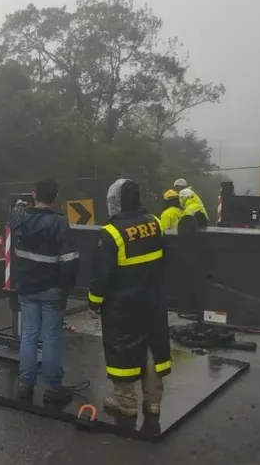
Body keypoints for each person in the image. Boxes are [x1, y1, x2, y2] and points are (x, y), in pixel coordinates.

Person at [88, 178, 171, 417]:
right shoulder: (155, 223)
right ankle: (153, 400)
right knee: (151, 346)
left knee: (123, 348)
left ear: (117, 202)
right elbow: (164, 260)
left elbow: (102, 276)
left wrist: (94, 301)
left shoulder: (111, 232)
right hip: (152, 300)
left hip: (122, 307)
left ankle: (126, 400)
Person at [9, 178, 80, 404]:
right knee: (50, 337)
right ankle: (52, 387)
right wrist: (65, 287)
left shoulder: (19, 217)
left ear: (33, 194)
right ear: (56, 197)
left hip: (26, 287)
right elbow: (70, 261)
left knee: (29, 335)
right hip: (51, 288)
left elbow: (15, 212)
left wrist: (23, 203)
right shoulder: (59, 223)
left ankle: (25, 384)